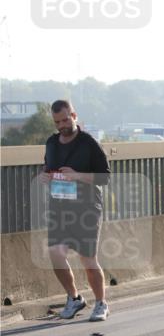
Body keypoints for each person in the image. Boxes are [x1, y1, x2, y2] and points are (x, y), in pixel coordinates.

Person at [42, 100, 112, 321]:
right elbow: (48, 167)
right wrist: (46, 176)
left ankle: (101, 303)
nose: (61, 125)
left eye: (65, 120)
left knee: (88, 259)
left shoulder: (88, 143)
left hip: (87, 207)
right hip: (60, 206)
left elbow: (105, 177)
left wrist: (77, 175)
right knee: (56, 254)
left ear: (74, 115)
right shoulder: (51, 143)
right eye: (57, 122)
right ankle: (74, 298)